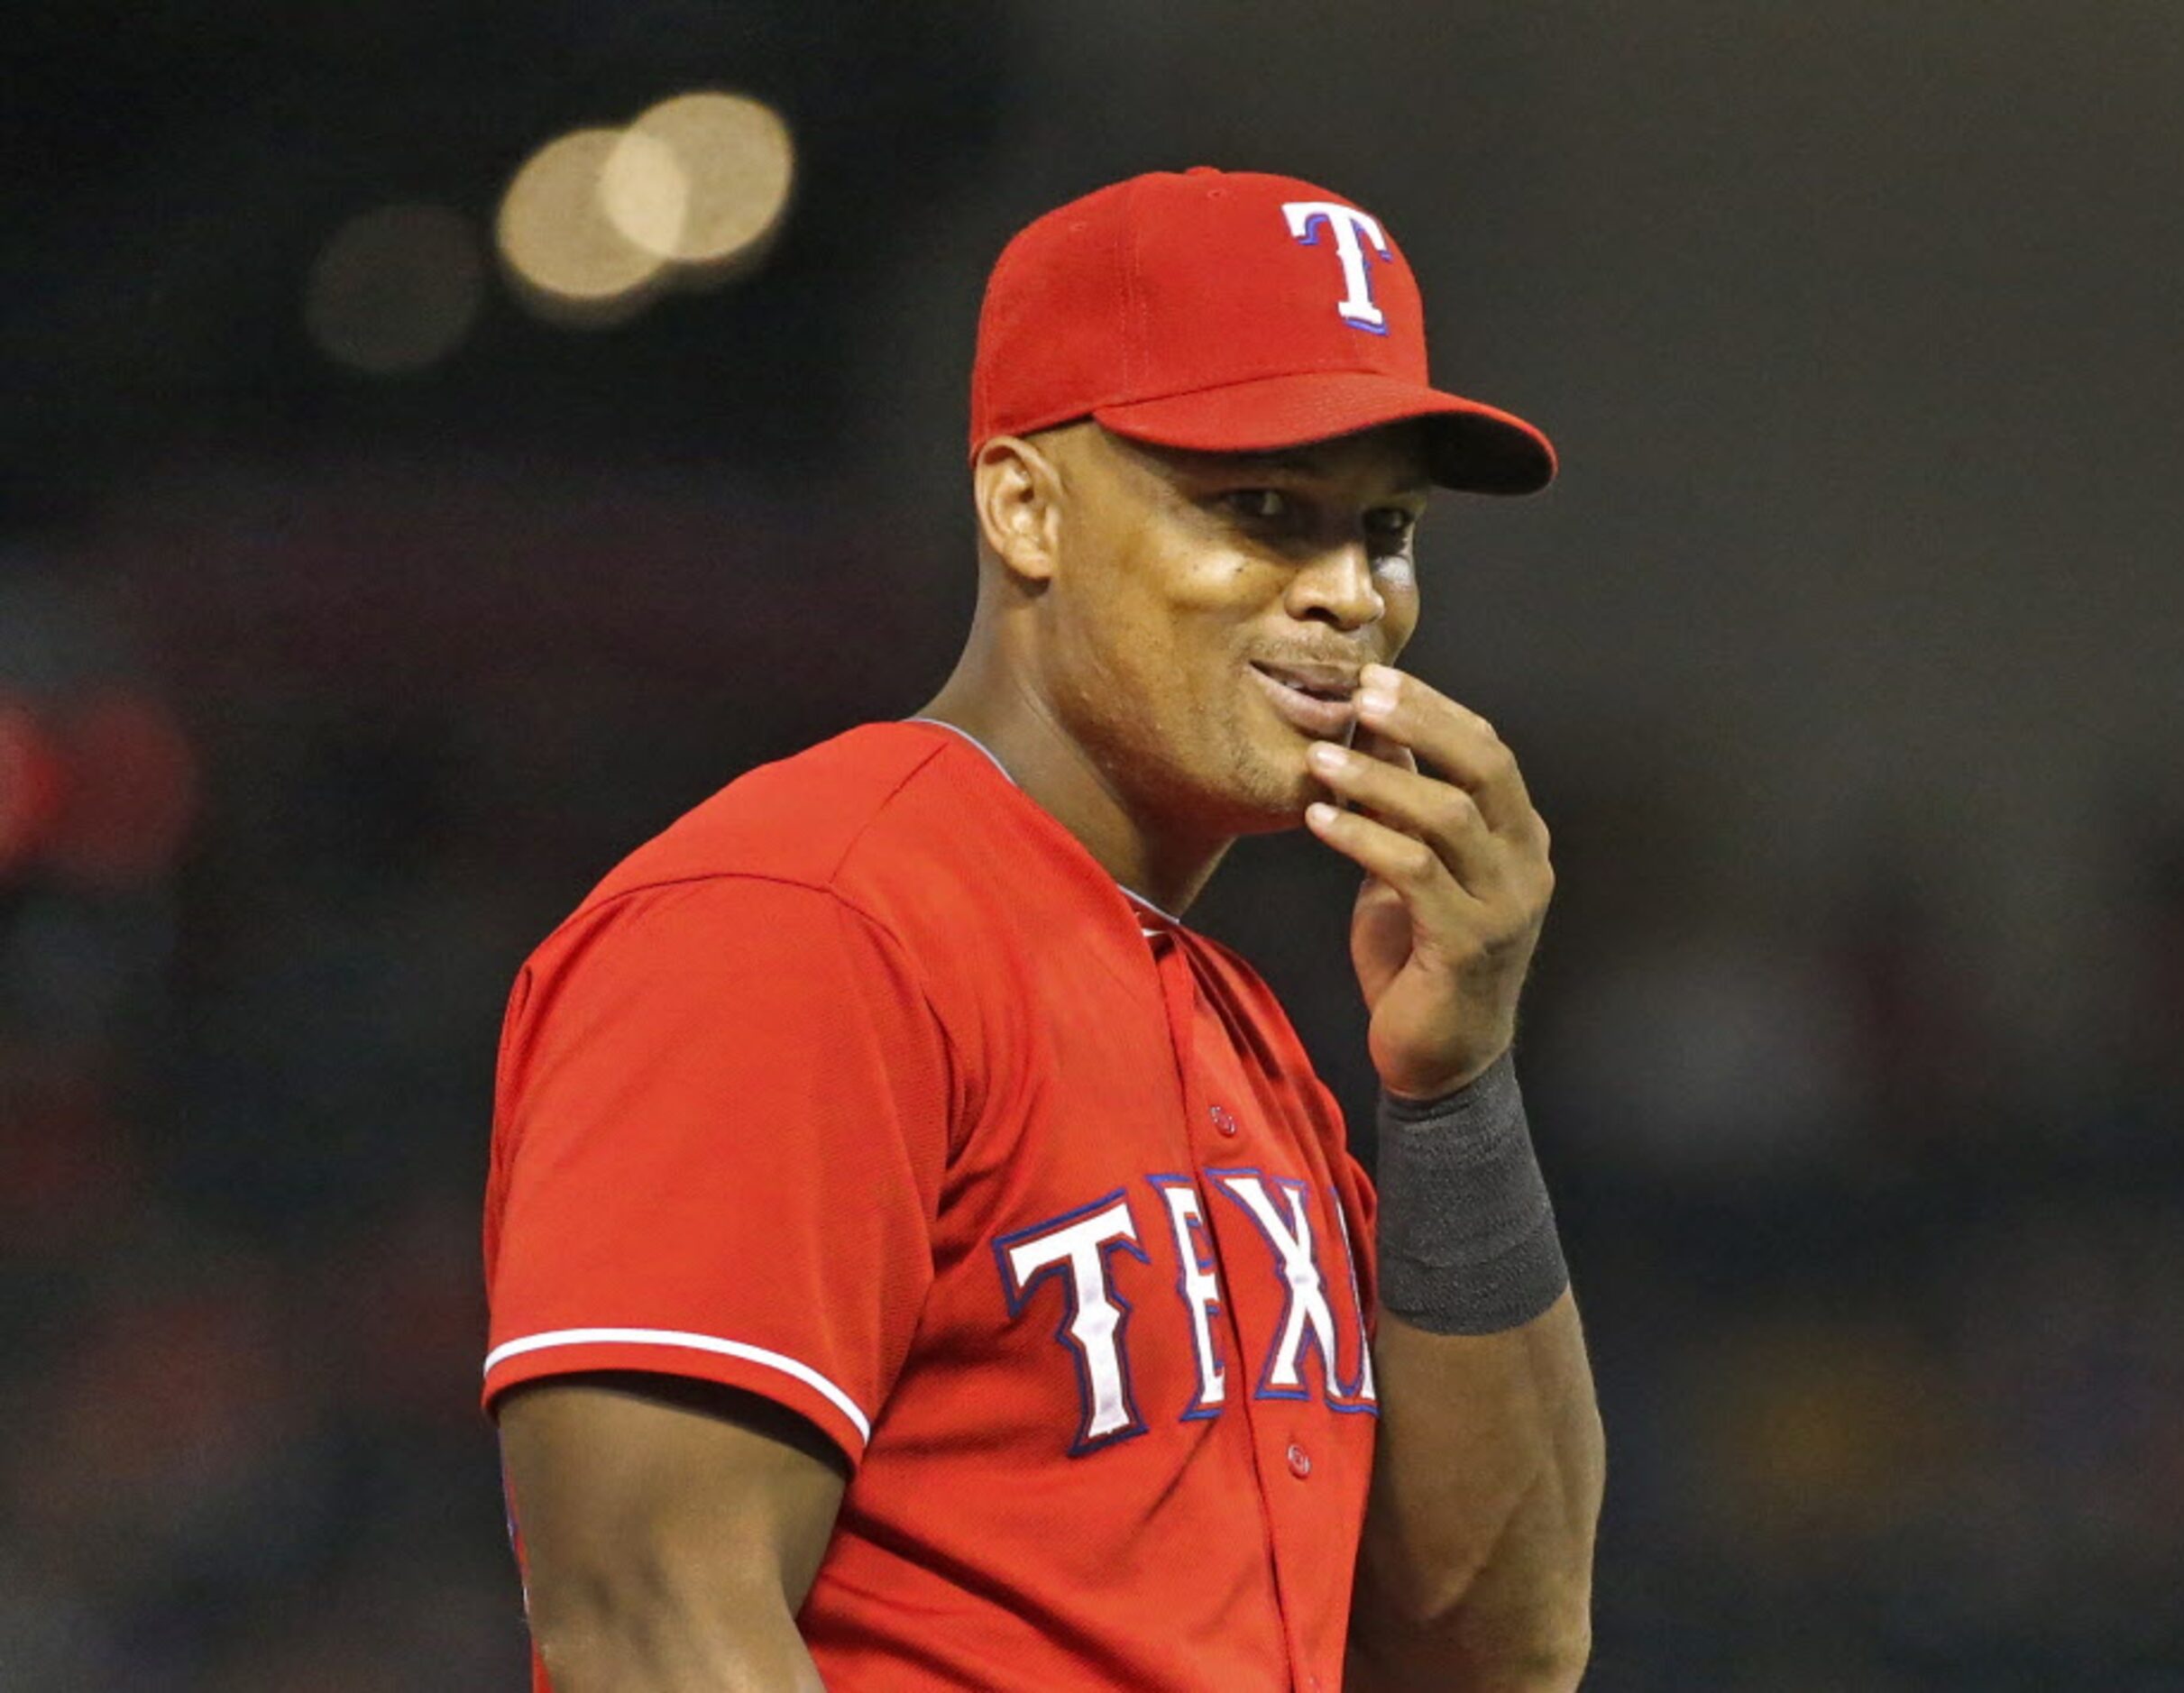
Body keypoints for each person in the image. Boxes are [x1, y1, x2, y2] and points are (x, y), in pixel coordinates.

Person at [482, 166, 1602, 1692]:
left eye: (1383, 527)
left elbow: (1500, 1651)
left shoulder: (1240, 1032)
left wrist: (1456, 1089)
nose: (1347, 595)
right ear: (1024, 506)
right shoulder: (798, 918)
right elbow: (647, 1622)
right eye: (1260, 510)